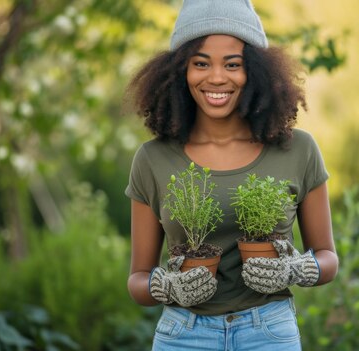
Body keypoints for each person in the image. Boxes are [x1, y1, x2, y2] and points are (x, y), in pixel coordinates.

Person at [124, 0, 338, 349]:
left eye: (233, 64)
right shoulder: (153, 159)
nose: (217, 77)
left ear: (254, 71)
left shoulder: (298, 149)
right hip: (184, 335)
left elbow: (328, 257)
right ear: (180, 71)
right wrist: (166, 286)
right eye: (201, 63)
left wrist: (296, 269)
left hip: (269, 332)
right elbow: (137, 279)